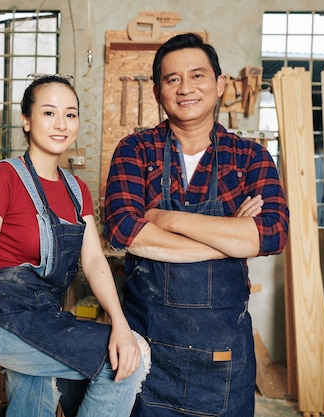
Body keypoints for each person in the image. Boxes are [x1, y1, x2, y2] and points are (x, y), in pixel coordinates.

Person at [104, 33, 289, 416]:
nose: (185, 88)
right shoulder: (136, 150)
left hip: (223, 360)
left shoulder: (251, 157)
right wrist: (230, 238)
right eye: (172, 79)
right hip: (147, 354)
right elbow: (125, 230)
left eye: (197, 76)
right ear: (158, 91)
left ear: (220, 84)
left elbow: (272, 233)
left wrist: (167, 219)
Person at [0, 74, 150, 417]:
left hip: (44, 321)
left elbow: (93, 261)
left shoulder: (77, 190)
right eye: (48, 113)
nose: (61, 124)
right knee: (129, 357)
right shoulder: (2, 178)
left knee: (127, 346)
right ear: (27, 121)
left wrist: (119, 322)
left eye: (70, 114)